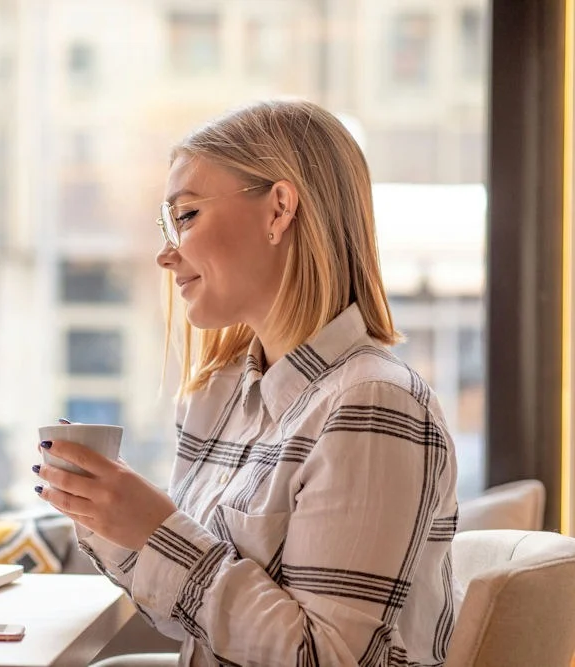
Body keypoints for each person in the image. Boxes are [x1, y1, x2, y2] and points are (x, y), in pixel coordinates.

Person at [33, 99, 459, 666]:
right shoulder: (220, 398)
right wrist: (107, 514)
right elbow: (188, 616)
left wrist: (158, 530)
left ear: (279, 209)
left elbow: (325, 658)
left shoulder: (373, 403)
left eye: (185, 217)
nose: (166, 254)